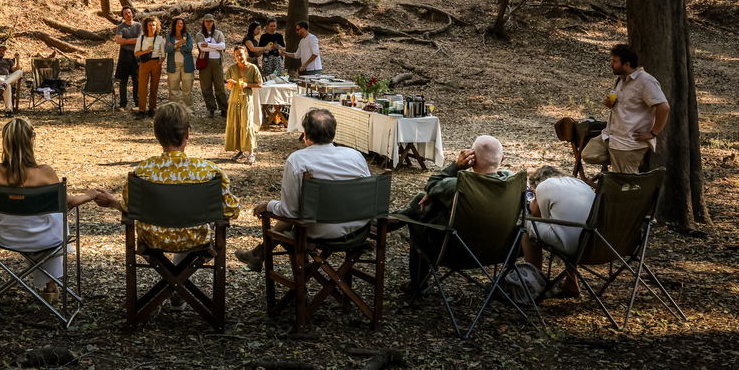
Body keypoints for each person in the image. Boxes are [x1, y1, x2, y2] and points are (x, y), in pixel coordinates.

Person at [93, 102, 238, 271]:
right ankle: (180, 284)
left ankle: (174, 285)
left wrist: (112, 202)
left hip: (152, 240)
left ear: (157, 135)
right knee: (191, 220)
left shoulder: (142, 172)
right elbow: (231, 210)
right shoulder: (210, 173)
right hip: (196, 239)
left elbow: (129, 207)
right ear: (188, 134)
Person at [235, 108, 372, 270]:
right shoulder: (355, 156)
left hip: (322, 231)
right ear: (333, 132)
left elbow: (290, 211)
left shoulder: (298, 160)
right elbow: (366, 195)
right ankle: (259, 255)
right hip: (359, 229)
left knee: (296, 220)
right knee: (303, 212)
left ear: (306, 135)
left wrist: (269, 205)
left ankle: (289, 271)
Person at [0, 117, 98, 302]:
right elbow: (70, 202)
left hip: (9, 237)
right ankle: (50, 286)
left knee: (48, 219)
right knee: (56, 218)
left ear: (5, 141)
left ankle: (49, 286)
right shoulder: (44, 172)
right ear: (31, 140)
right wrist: (91, 195)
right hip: (44, 239)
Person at [397, 135, 509, 294]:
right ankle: (392, 220)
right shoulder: (513, 184)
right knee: (427, 203)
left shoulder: (456, 185)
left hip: (453, 253)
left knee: (418, 213)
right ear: (503, 158)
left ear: (472, 158)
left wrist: (456, 166)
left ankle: (418, 284)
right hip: (499, 250)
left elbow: (432, 184)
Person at [581, 44, 669, 174]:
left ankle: (627, 166)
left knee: (626, 186)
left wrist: (653, 133)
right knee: (588, 154)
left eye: (615, 61)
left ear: (627, 64)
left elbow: (664, 107)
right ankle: (621, 163)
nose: (611, 64)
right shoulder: (621, 79)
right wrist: (612, 104)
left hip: (628, 142)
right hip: (610, 137)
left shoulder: (646, 82)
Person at [521, 164, 596, 298]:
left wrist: (531, 203)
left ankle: (536, 282)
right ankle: (571, 282)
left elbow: (539, 215)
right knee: (569, 226)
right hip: (595, 243)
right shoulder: (579, 183)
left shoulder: (544, 187)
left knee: (527, 227)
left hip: (571, 244)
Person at [224, 45, 263, 164]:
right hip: (234, 100)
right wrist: (230, 84)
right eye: (236, 55)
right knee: (236, 124)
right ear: (234, 57)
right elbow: (228, 87)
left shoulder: (253, 68)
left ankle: (250, 153)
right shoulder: (231, 68)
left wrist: (247, 85)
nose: (239, 57)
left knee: (246, 124)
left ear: (245, 53)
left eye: (241, 54)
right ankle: (240, 150)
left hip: (246, 100)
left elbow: (260, 84)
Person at [196, 14, 228, 117]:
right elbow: (202, 48)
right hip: (204, 62)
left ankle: (224, 108)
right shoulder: (200, 34)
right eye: (207, 21)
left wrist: (209, 45)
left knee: (220, 86)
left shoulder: (218, 33)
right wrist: (216, 47)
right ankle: (211, 109)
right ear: (203, 22)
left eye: (210, 21)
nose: (209, 23)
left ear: (213, 22)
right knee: (206, 87)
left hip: (217, 62)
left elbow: (223, 46)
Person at [134, 16, 164, 118]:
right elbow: (136, 53)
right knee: (142, 87)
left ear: (157, 26)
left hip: (156, 63)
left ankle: (152, 109)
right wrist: (147, 51)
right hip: (144, 64)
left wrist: (160, 61)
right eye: (150, 25)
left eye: (154, 25)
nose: (152, 27)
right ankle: (142, 110)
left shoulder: (160, 38)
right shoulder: (141, 38)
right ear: (146, 26)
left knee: (154, 87)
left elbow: (163, 53)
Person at [0, 43, 26, 115]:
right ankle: (9, 110)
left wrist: (18, 60)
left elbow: (15, 71)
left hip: (7, 78)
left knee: (20, 72)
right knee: (8, 86)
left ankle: (4, 84)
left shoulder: (8, 60)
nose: (1, 52)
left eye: (3, 51)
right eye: (0, 50)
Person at [114, 6, 141, 112]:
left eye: (129, 13)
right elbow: (118, 41)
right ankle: (123, 105)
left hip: (136, 56)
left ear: (132, 13)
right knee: (123, 81)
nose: (128, 15)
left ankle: (138, 103)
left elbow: (140, 40)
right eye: (126, 14)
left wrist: (125, 40)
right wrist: (131, 40)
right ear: (123, 16)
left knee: (137, 81)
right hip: (124, 56)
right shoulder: (121, 27)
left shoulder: (138, 26)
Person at [164, 17, 195, 111]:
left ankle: (188, 110)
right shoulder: (170, 36)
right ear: (174, 25)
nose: (180, 25)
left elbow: (189, 48)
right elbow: (167, 49)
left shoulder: (187, 35)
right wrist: (179, 44)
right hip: (173, 65)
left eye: (181, 23)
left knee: (187, 89)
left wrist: (175, 47)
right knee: (173, 89)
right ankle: (174, 110)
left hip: (187, 65)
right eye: (178, 23)